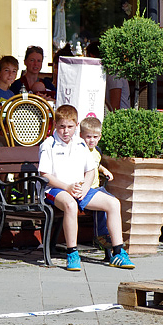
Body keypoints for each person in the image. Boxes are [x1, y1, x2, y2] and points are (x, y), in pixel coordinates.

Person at [39, 106, 133, 271]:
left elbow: (91, 170)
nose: (66, 131)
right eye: (62, 126)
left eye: (70, 127)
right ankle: (72, 253)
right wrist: (67, 187)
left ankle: (118, 252)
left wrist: (85, 187)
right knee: (71, 205)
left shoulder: (80, 143)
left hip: (80, 188)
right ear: (55, 125)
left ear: (76, 126)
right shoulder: (48, 144)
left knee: (113, 203)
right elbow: (45, 174)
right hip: (55, 190)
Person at [79, 117, 116, 262]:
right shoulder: (79, 151)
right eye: (88, 137)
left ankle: (109, 239)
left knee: (112, 202)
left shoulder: (97, 151)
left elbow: (96, 164)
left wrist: (104, 170)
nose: (91, 140)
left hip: (97, 187)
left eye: (95, 137)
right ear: (81, 135)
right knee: (103, 206)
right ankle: (101, 236)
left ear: (100, 137)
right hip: (85, 189)